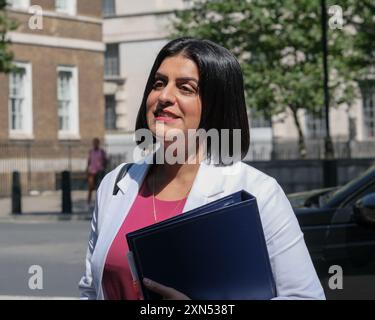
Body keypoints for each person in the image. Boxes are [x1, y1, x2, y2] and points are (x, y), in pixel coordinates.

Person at [79, 38, 325, 300]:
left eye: (185, 88)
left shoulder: (258, 192)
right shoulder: (115, 184)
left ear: (216, 104)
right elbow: (91, 289)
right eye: (159, 83)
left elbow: (306, 297)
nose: (163, 96)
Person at [86, 138, 107, 207]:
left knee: (99, 187)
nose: (95, 144)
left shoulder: (101, 151)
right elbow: (89, 161)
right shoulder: (91, 152)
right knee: (90, 187)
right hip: (92, 172)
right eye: (94, 143)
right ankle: (88, 203)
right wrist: (87, 170)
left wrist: (102, 167)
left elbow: (105, 160)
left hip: (99, 171)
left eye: (96, 143)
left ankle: (100, 202)